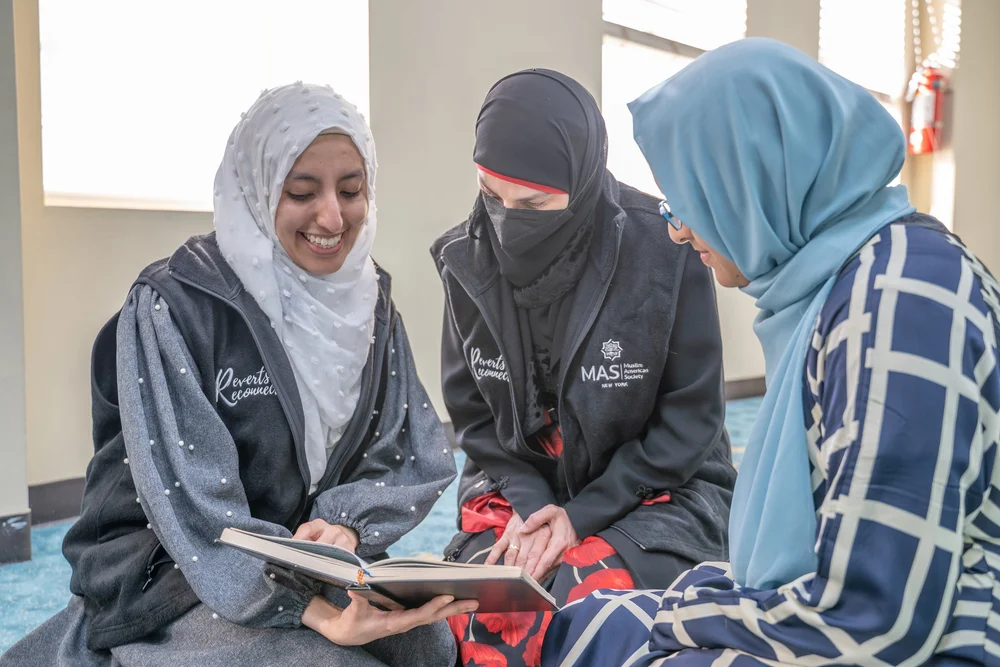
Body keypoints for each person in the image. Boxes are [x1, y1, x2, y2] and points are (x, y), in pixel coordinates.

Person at [541, 38, 1000, 667]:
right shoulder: (853, 280)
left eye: (689, 202)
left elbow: (872, 621)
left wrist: (679, 617)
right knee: (588, 622)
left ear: (753, 180)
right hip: (858, 618)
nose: (677, 231)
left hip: (942, 643)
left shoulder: (902, 299)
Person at [0, 83, 475, 667]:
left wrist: (343, 528)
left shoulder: (371, 304)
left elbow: (405, 446)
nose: (333, 216)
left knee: (431, 647)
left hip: (302, 564)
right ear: (256, 189)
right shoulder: (173, 307)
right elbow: (194, 502)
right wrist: (315, 614)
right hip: (174, 579)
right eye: (301, 192)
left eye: (351, 190)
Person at [430, 68, 736, 666]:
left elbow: (690, 425)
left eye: (535, 204)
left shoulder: (668, 250)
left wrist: (577, 518)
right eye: (492, 197)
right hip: (519, 489)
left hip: (657, 490)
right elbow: (473, 417)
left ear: (584, 175)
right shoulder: (464, 258)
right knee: (480, 609)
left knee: (583, 609)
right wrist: (530, 503)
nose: (508, 221)